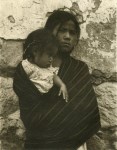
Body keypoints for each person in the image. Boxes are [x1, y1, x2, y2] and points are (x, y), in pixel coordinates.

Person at [13, 10, 101, 149]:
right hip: (38, 143)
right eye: (62, 30)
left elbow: (85, 111)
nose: (67, 37)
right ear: (49, 33)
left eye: (72, 33)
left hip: (72, 143)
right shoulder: (28, 67)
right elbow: (29, 108)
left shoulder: (78, 69)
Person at [22, 28, 68, 102]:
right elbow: (21, 81)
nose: (51, 59)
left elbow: (54, 76)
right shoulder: (27, 66)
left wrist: (62, 85)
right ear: (35, 51)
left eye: (53, 56)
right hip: (32, 100)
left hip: (46, 100)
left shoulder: (47, 68)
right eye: (49, 55)